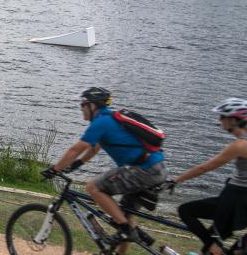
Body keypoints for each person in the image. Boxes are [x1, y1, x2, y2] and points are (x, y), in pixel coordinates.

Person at [43, 87, 167, 251]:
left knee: (93, 187)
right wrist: (77, 164)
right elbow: (95, 148)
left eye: (83, 104)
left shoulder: (101, 122)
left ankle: (125, 230)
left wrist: (55, 169)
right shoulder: (110, 119)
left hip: (144, 169)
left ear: (92, 106)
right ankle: (125, 230)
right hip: (156, 168)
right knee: (124, 216)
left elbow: (75, 149)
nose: (81, 107)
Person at [169, 98, 247, 255]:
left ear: (233, 120)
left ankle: (214, 248)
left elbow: (205, 167)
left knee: (186, 211)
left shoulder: (239, 145)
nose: (220, 121)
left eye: (222, 117)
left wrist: (176, 179)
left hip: (234, 200)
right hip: (239, 202)